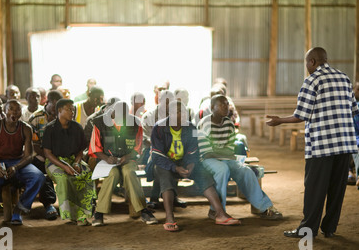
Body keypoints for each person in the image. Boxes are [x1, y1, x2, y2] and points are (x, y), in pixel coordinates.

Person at [266, 47, 359, 238]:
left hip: (322, 146)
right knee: (337, 189)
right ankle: (330, 228)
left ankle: (307, 229)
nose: (307, 67)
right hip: (345, 144)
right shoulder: (344, 78)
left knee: (315, 190)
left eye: (307, 63)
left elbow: (301, 115)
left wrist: (279, 120)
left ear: (313, 62)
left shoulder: (312, 80)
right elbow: (353, 110)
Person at [146, 100, 241, 232]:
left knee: (203, 173)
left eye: (184, 111)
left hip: (184, 163)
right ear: (170, 114)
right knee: (164, 173)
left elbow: (193, 151)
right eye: (178, 111)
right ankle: (169, 217)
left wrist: (191, 165)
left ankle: (220, 214)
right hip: (163, 163)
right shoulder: (159, 128)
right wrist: (175, 168)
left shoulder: (191, 127)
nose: (183, 114)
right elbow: (157, 155)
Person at [198, 95, 282, 220]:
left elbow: (230, 151)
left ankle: (264, 207)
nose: (225, 107)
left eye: (226, 104)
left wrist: (221, 152)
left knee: (246, 171)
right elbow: (205, 152)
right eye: (221, 104)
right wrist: (223, 153)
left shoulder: (229, 124)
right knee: (222, 169)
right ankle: (216, 210)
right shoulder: (203, 124)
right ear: (212, 108)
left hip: (225, 159)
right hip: (206, 160)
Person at [88, 101, 157, 227]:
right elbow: (94, 147)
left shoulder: (135, 123)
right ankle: (99, 212)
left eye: (126, 116)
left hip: (128, 159)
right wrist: (107, 158)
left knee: (129, 172)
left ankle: (143, 211)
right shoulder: (100, 123)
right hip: (107, 161)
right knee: (112, 174)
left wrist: (127, 156)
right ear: (112, 114)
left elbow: (138, 148)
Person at [0, 99, 45, 228]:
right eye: (10, 109)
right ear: (4, 111)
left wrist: (16, 167)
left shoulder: (26, 128)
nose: (14, 112)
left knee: (38, 176)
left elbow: (28, 156)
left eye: (17, 110)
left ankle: (19, 210)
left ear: (21, 112)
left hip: (18, 162)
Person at [42, 99, 97, 226]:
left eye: (73, 109)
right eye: (69, 109)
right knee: (64, 178)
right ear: (59, 110)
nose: (72, 112)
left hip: (73, 160)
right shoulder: (50, 128)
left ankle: (83, 214)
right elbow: (47, 153)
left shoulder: (77, 127)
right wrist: (64, 167)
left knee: (87, 173)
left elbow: (80, 149)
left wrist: (77, 163)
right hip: (54, 162)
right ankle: (71, 215)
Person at [28, 90, 63, 220]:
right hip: (40, 155)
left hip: (60, 155)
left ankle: (73, 203)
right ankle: (49, 205)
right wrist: (49, 157)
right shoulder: (36, 118)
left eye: (59, 107)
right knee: (43, 172)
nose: (56, 110)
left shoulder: (63, 117)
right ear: (47, 102)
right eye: (54, 107)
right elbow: (34, 144)